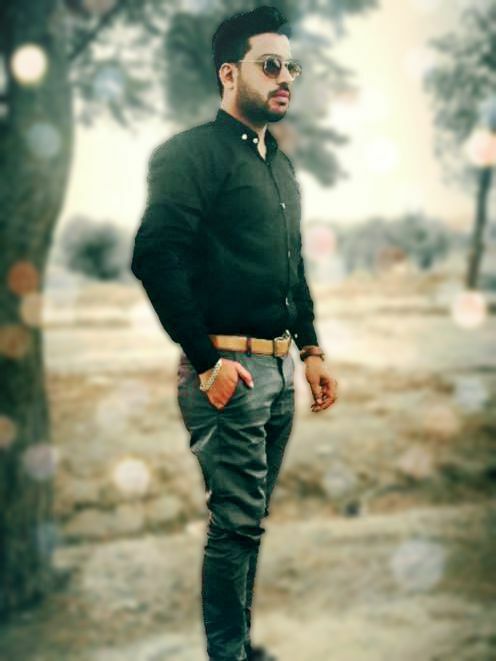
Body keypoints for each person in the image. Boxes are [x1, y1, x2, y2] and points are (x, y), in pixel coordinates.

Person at [130, 6, 338, 660]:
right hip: (228, 372)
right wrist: (206, 361)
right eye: (270, 65)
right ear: (229, 73)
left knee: (248, 524)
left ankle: (239, 647)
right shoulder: (190, 154)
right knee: (236, 525)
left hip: (278, 371)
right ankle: (229, 654)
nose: (286, 78)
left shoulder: (280, 166)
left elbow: (292, 269)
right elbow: (154, 256)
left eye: (292, 67)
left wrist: (311, 349)